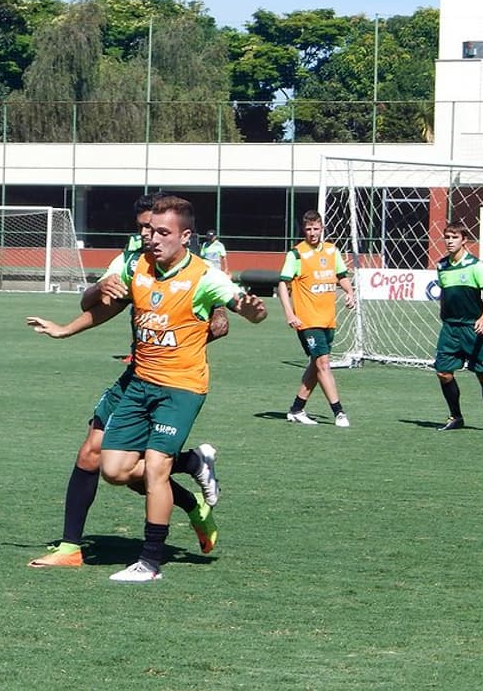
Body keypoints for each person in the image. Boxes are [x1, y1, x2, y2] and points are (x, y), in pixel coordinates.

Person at [28, 195, 268, 582]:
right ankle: (191, 467)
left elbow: (242, 306)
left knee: (154, 466)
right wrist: (64, 329)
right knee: (113, 468)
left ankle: (149, 561)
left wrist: (252, 312)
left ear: (185, 236)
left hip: (181, 387)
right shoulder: (134, 263)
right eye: (147, 229)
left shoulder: (205, 275)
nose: (150, 237)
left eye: (159, 231)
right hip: (139, 381)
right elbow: (103, 303)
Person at [277, 210, 355, 427]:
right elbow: (283, 283)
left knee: (316, 363)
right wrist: (290, 313)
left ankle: (297, 408)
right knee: (323, 363)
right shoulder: (296, 254)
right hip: (307, 320)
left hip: (328, 319)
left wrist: (350, 292)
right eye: (308, 229)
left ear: (322, 229)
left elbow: (341, 276)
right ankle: (338, 411)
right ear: (304, 230)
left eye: (316, 228)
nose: (312, 233)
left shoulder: (331, 250)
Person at [433, 221, 483, 433]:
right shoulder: (441, 266)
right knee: (443, 372)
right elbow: (445, 294)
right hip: (451, 329)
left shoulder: (475, 265)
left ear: (464, 241)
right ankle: (456, 416)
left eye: (454, 237)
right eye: (447, 237)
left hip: (473, 328)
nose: (450, 241)